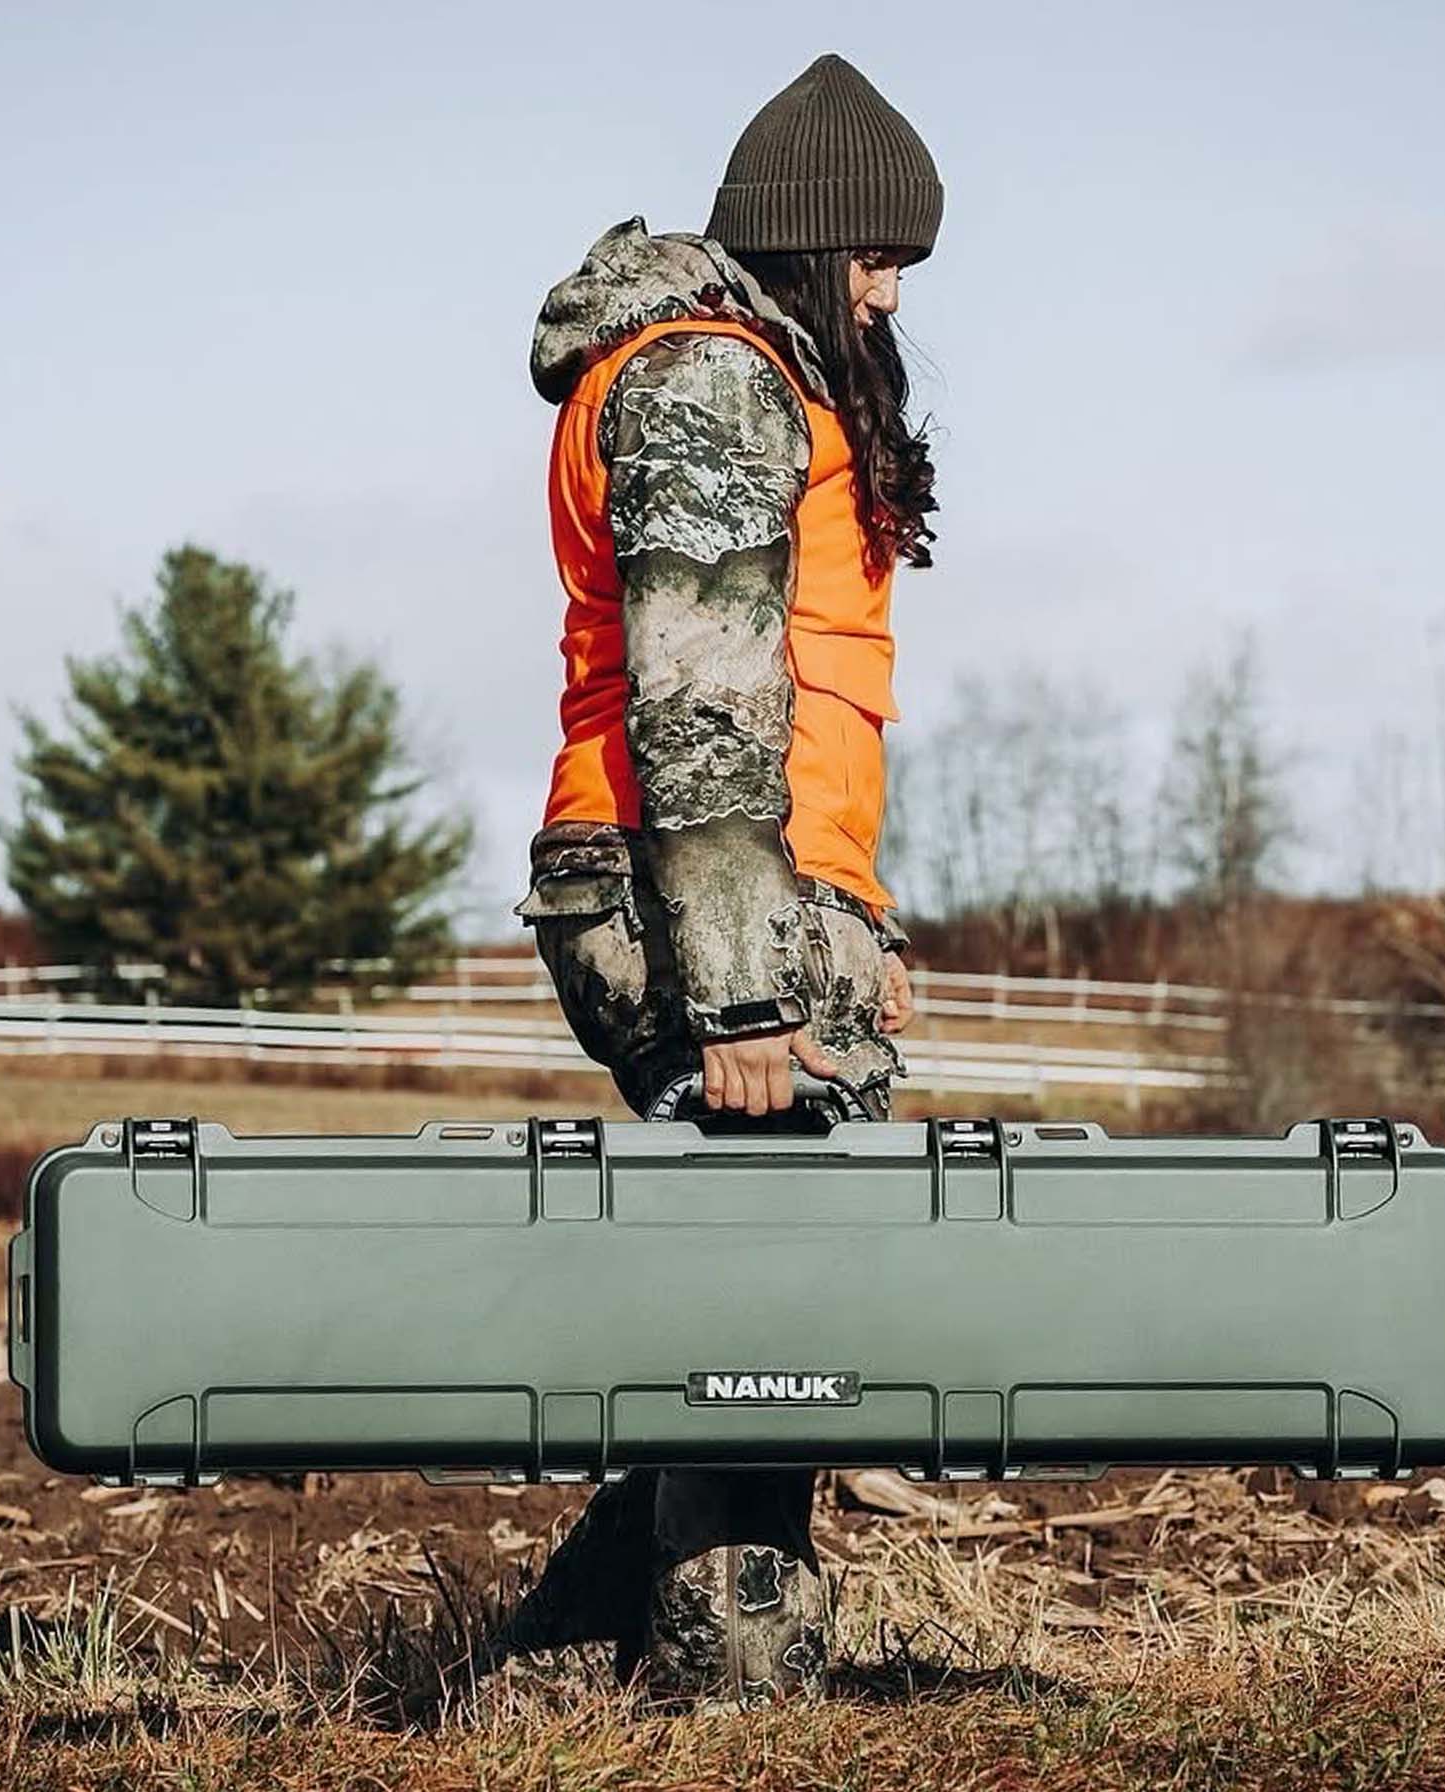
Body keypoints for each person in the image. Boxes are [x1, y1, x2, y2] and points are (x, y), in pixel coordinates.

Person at [493, 52, 943, 1705]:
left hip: (747, 894)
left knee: (757, 1297)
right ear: (813, 241)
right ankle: (730, 1706)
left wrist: (843, 927)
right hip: (691, 906)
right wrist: (748, 985)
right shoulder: (707, 378)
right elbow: (700, 696)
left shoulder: (750, 374)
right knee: (775, 1309)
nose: (890, 295)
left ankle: (554, 1663)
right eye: (879, 259)